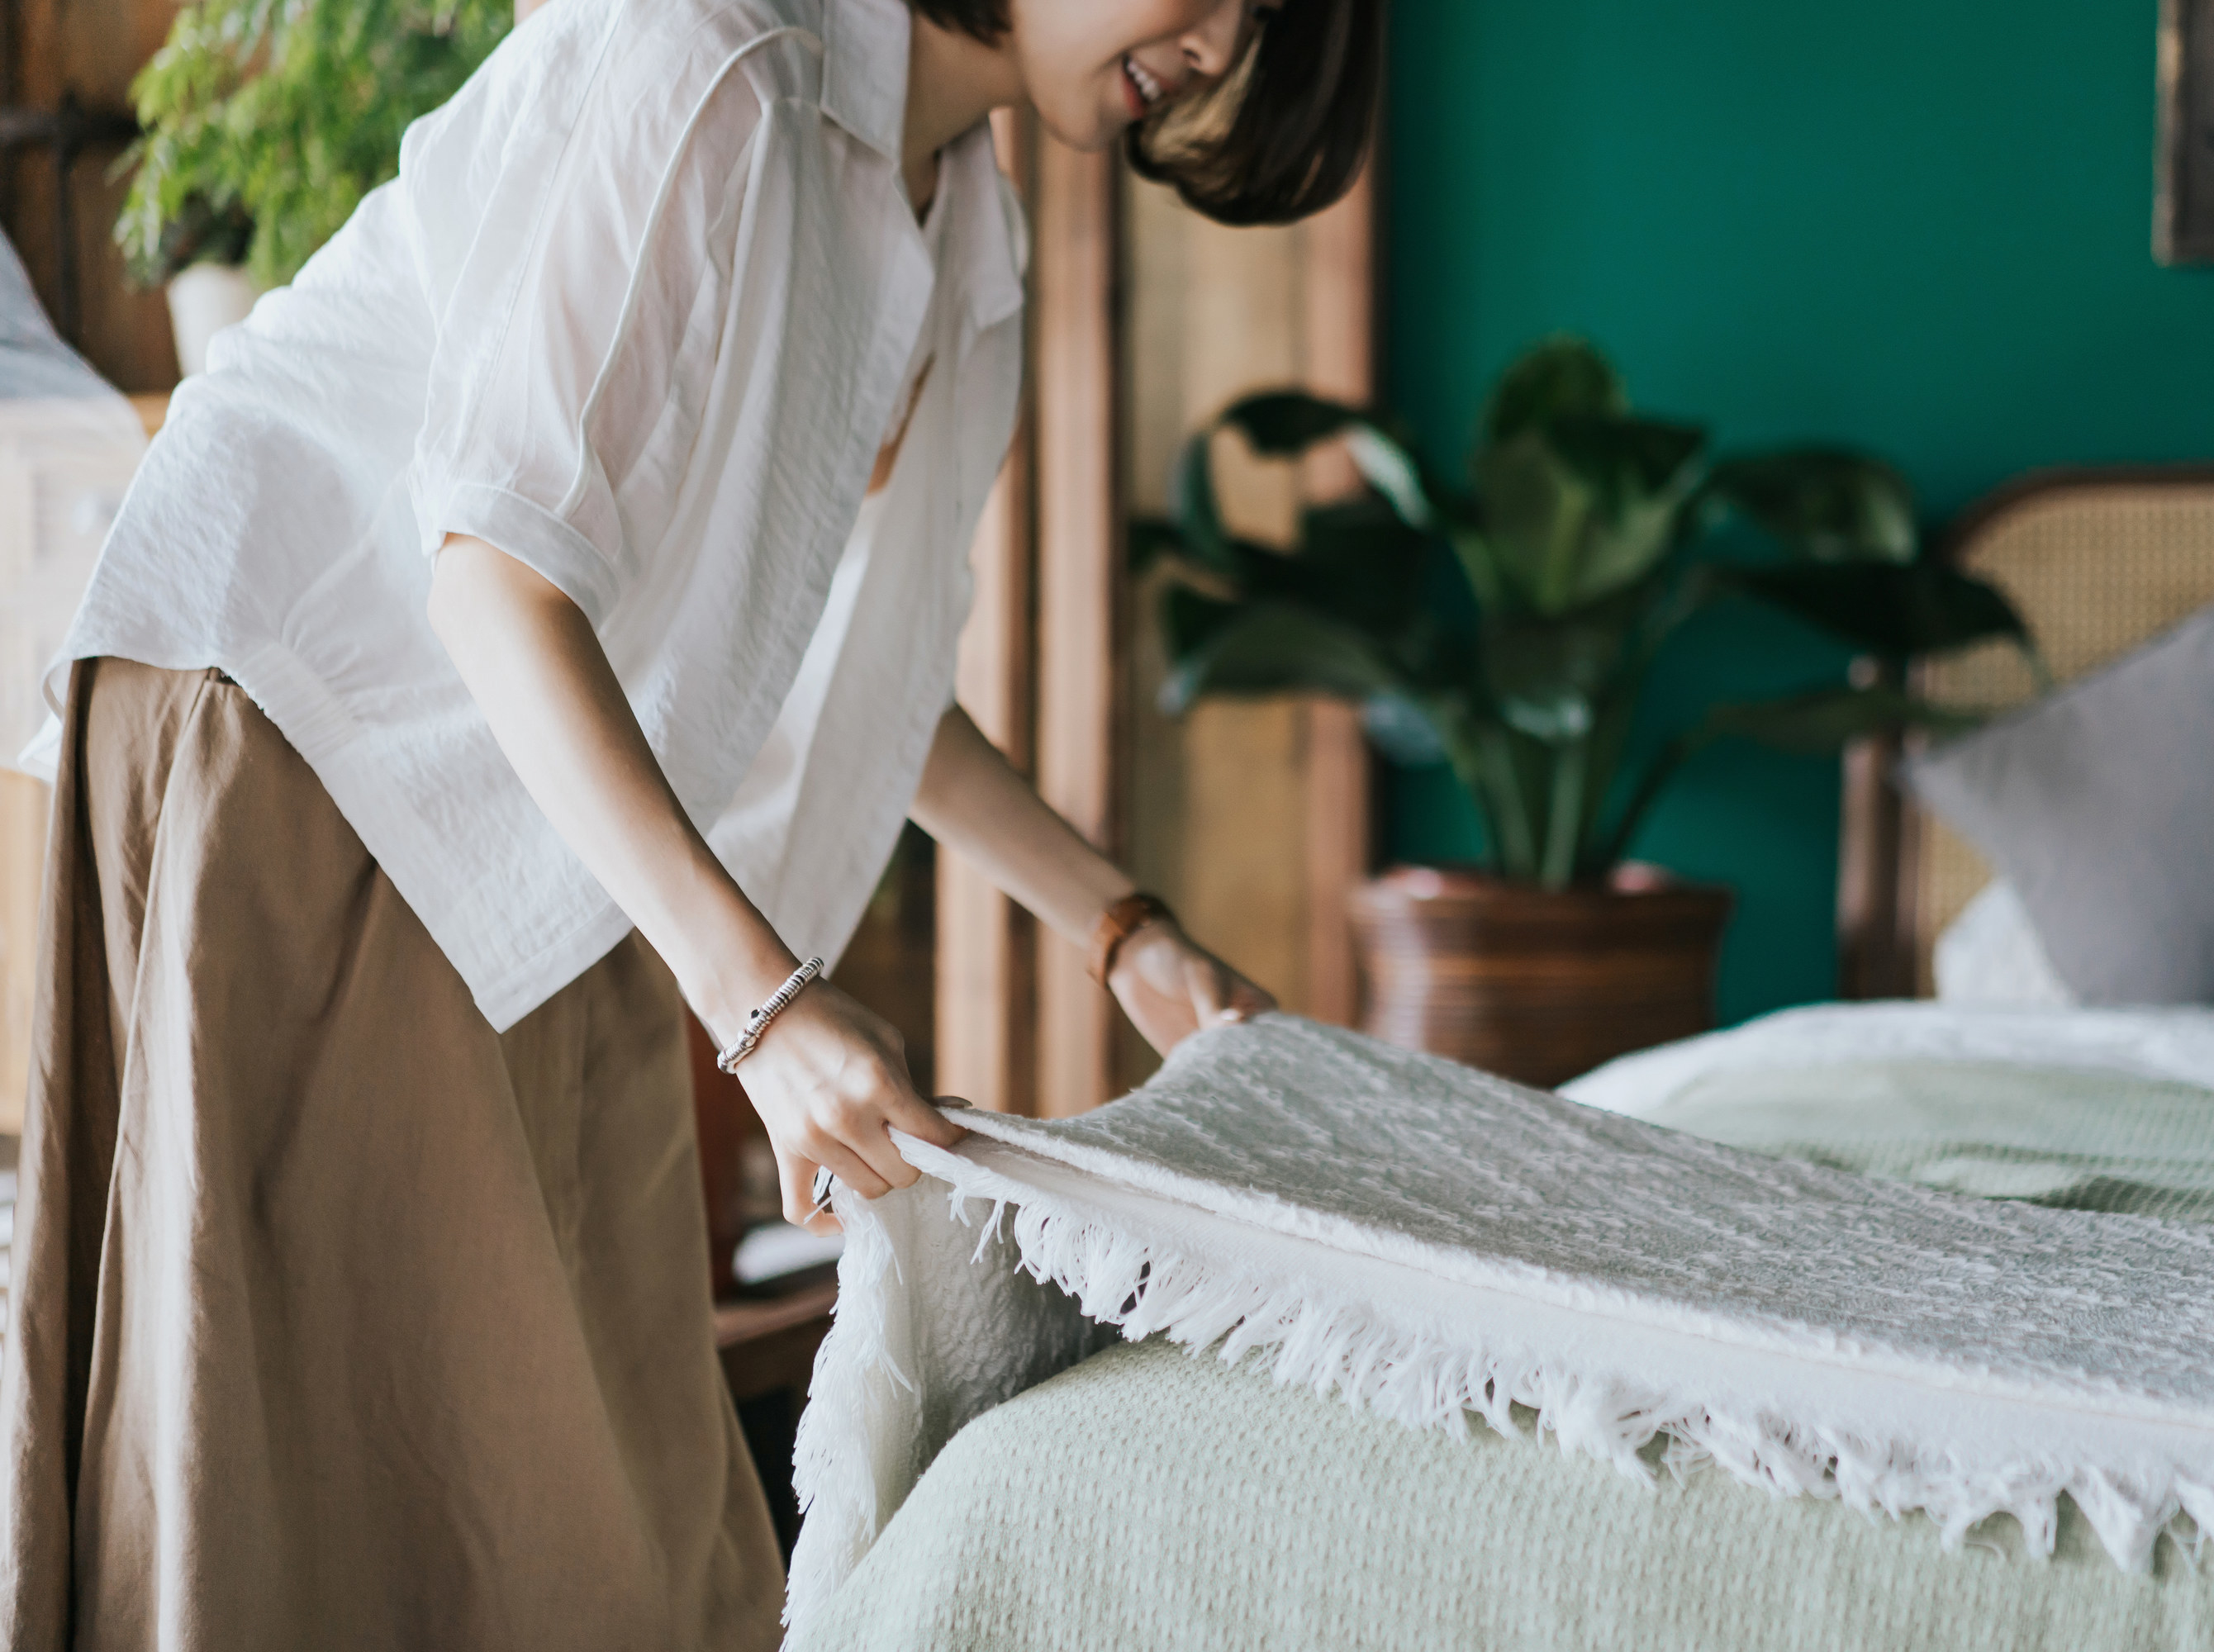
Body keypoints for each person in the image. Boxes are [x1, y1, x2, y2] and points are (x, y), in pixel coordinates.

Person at [0, 0, 1380, 1640]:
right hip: (311, 728)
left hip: (540, 793)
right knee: (319, 1490)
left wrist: (1126, 935)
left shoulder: (964, 232)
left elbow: (854, 681)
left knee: (620, 1499)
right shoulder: (715, 51)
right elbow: (495, 576)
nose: (1222, 44)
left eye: (1266, 21)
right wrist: (769, 1006)